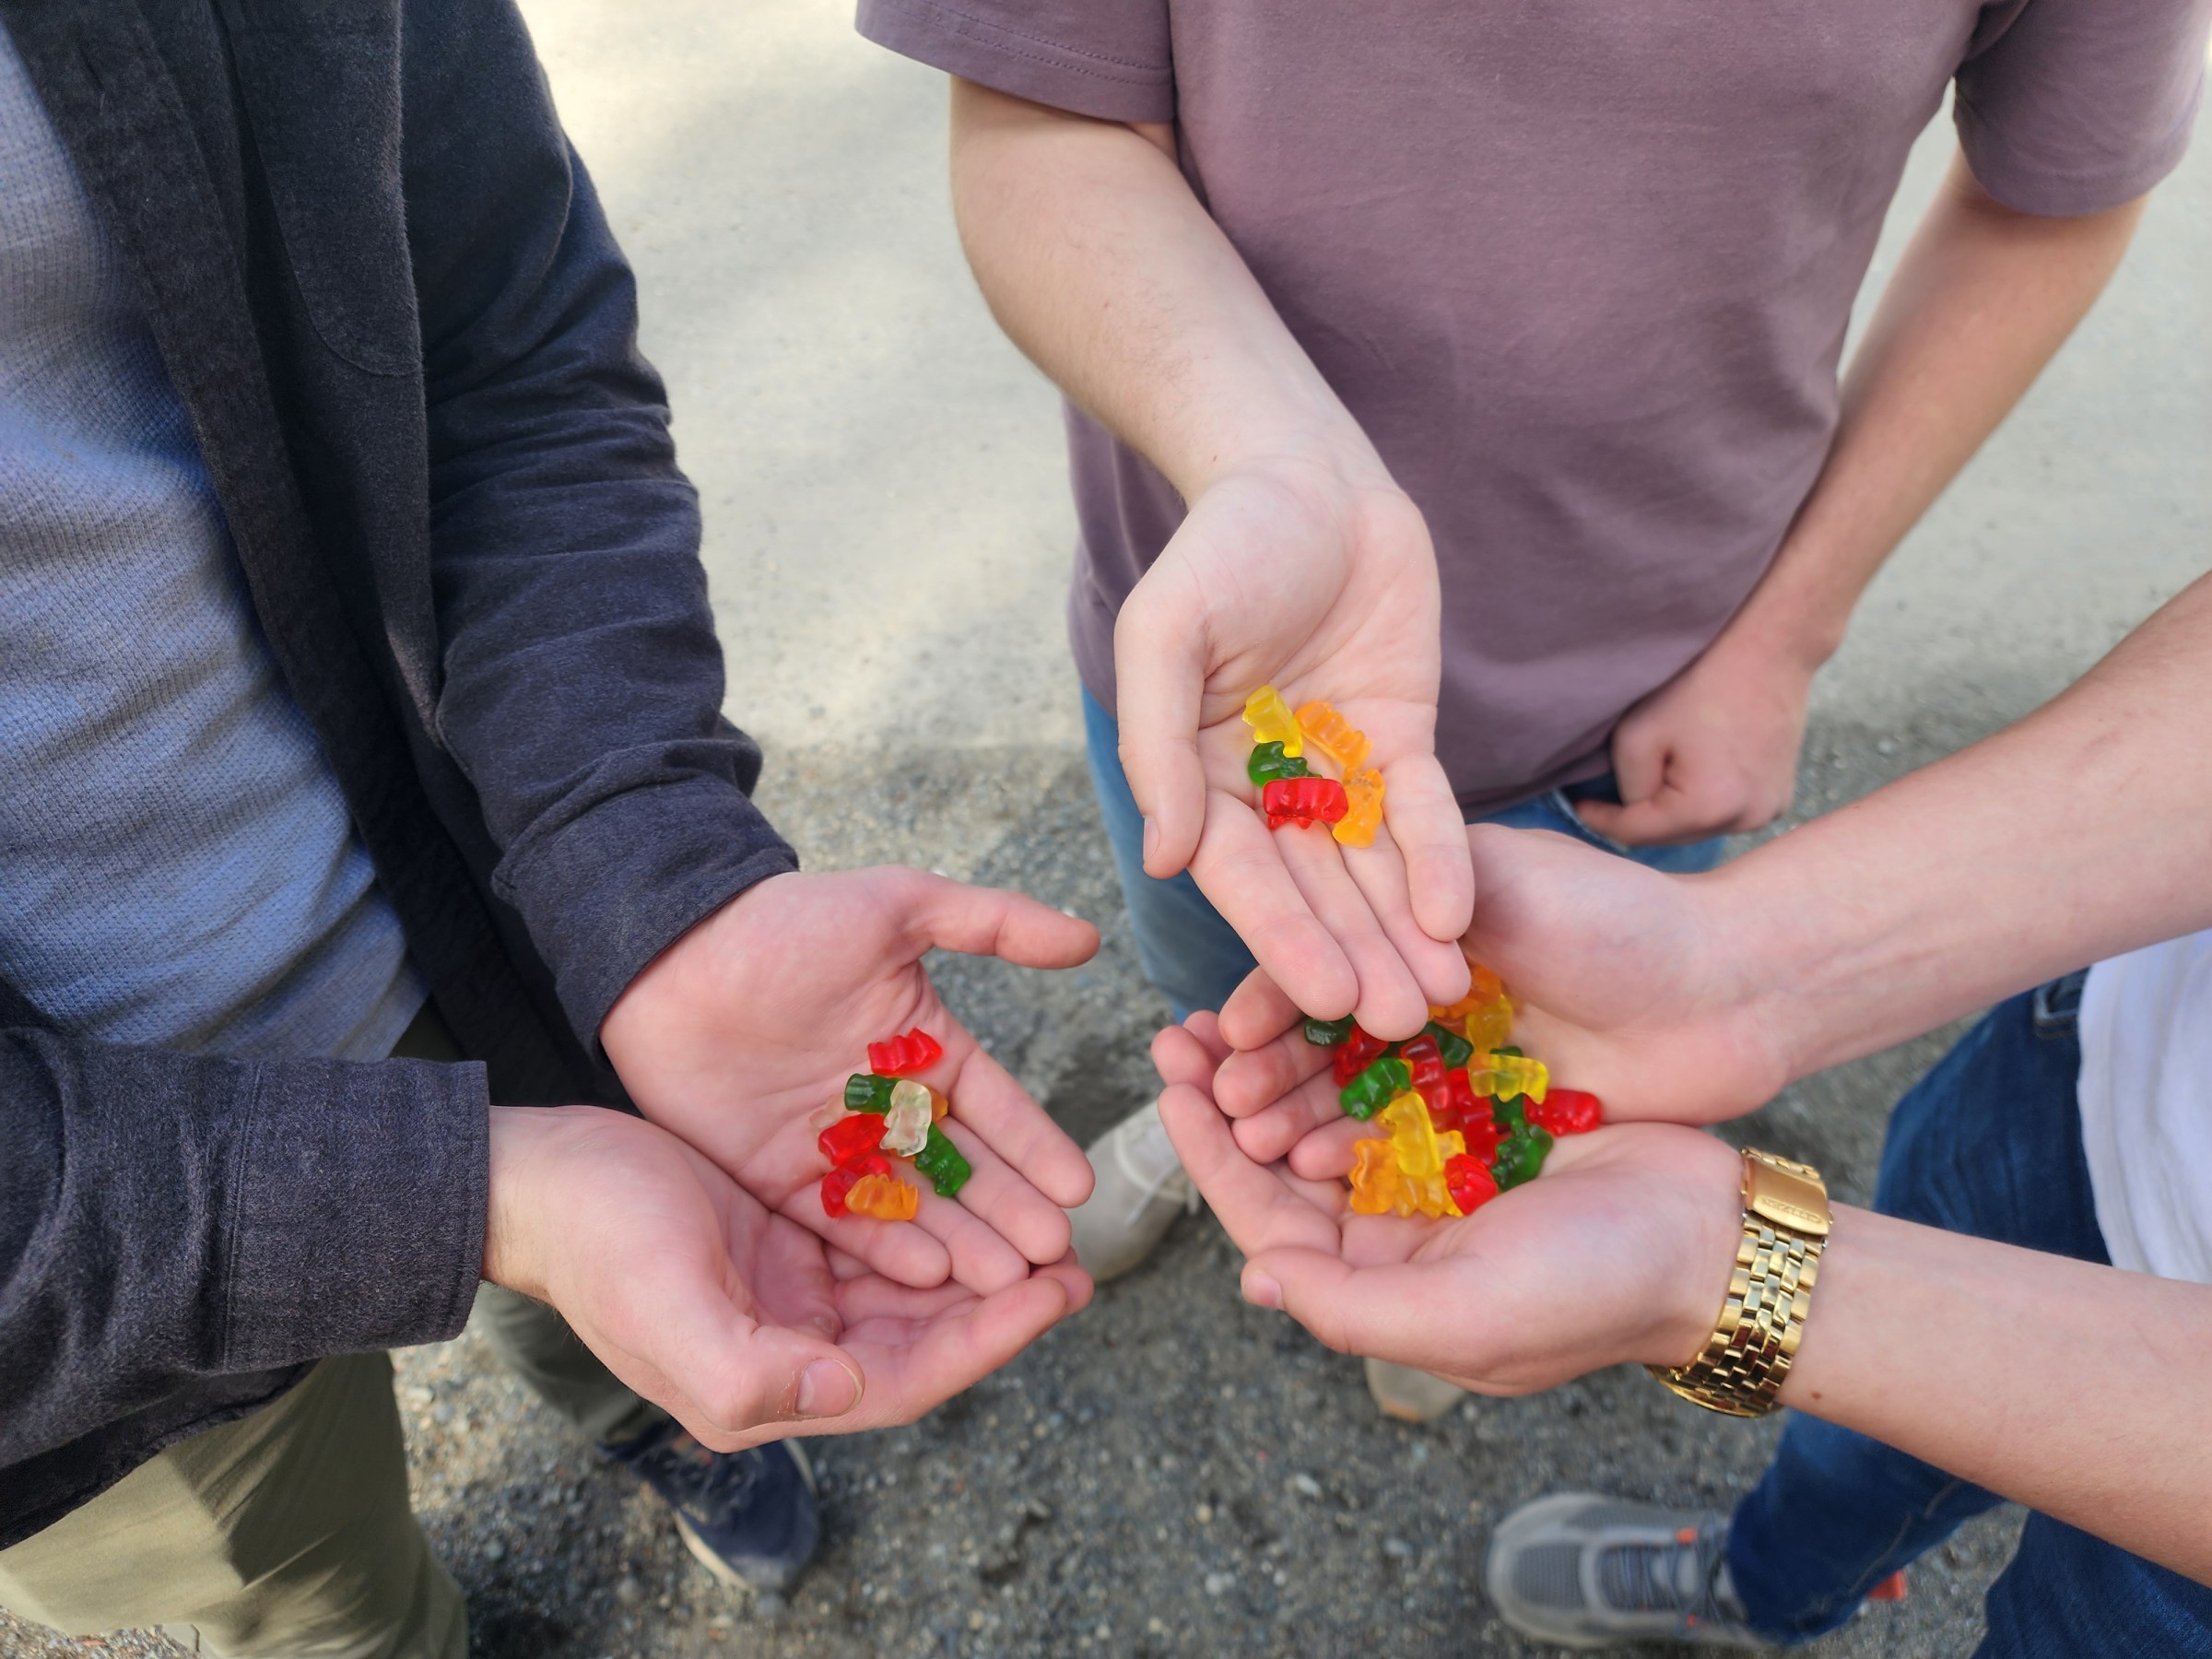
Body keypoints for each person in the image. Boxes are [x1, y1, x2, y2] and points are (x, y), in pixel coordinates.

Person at [853, 0, 2212, 1384]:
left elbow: (2056, 199)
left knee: (1508, 1033)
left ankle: (1427, 1185)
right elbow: (1040, 116)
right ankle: (1223, 1128)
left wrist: (1785, 638)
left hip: (1655, 687)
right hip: (1225, 683)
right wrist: (1281, 470)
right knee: (1237, 990)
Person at [0, 3, 1093, 1653]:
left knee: (636, 1239)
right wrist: (469, 1194)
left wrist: (652, 879)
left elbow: (500, 341)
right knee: (317, 1603)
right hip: (86, 1274)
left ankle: (648, 1410)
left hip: (490, 903)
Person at [1156, 566, 2212, 1650]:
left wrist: (1704, 1272)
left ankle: (1769, 1592)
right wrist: (1733, 970)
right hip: (2103, 1049)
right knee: (1855, 1444)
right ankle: (1762, 1579)